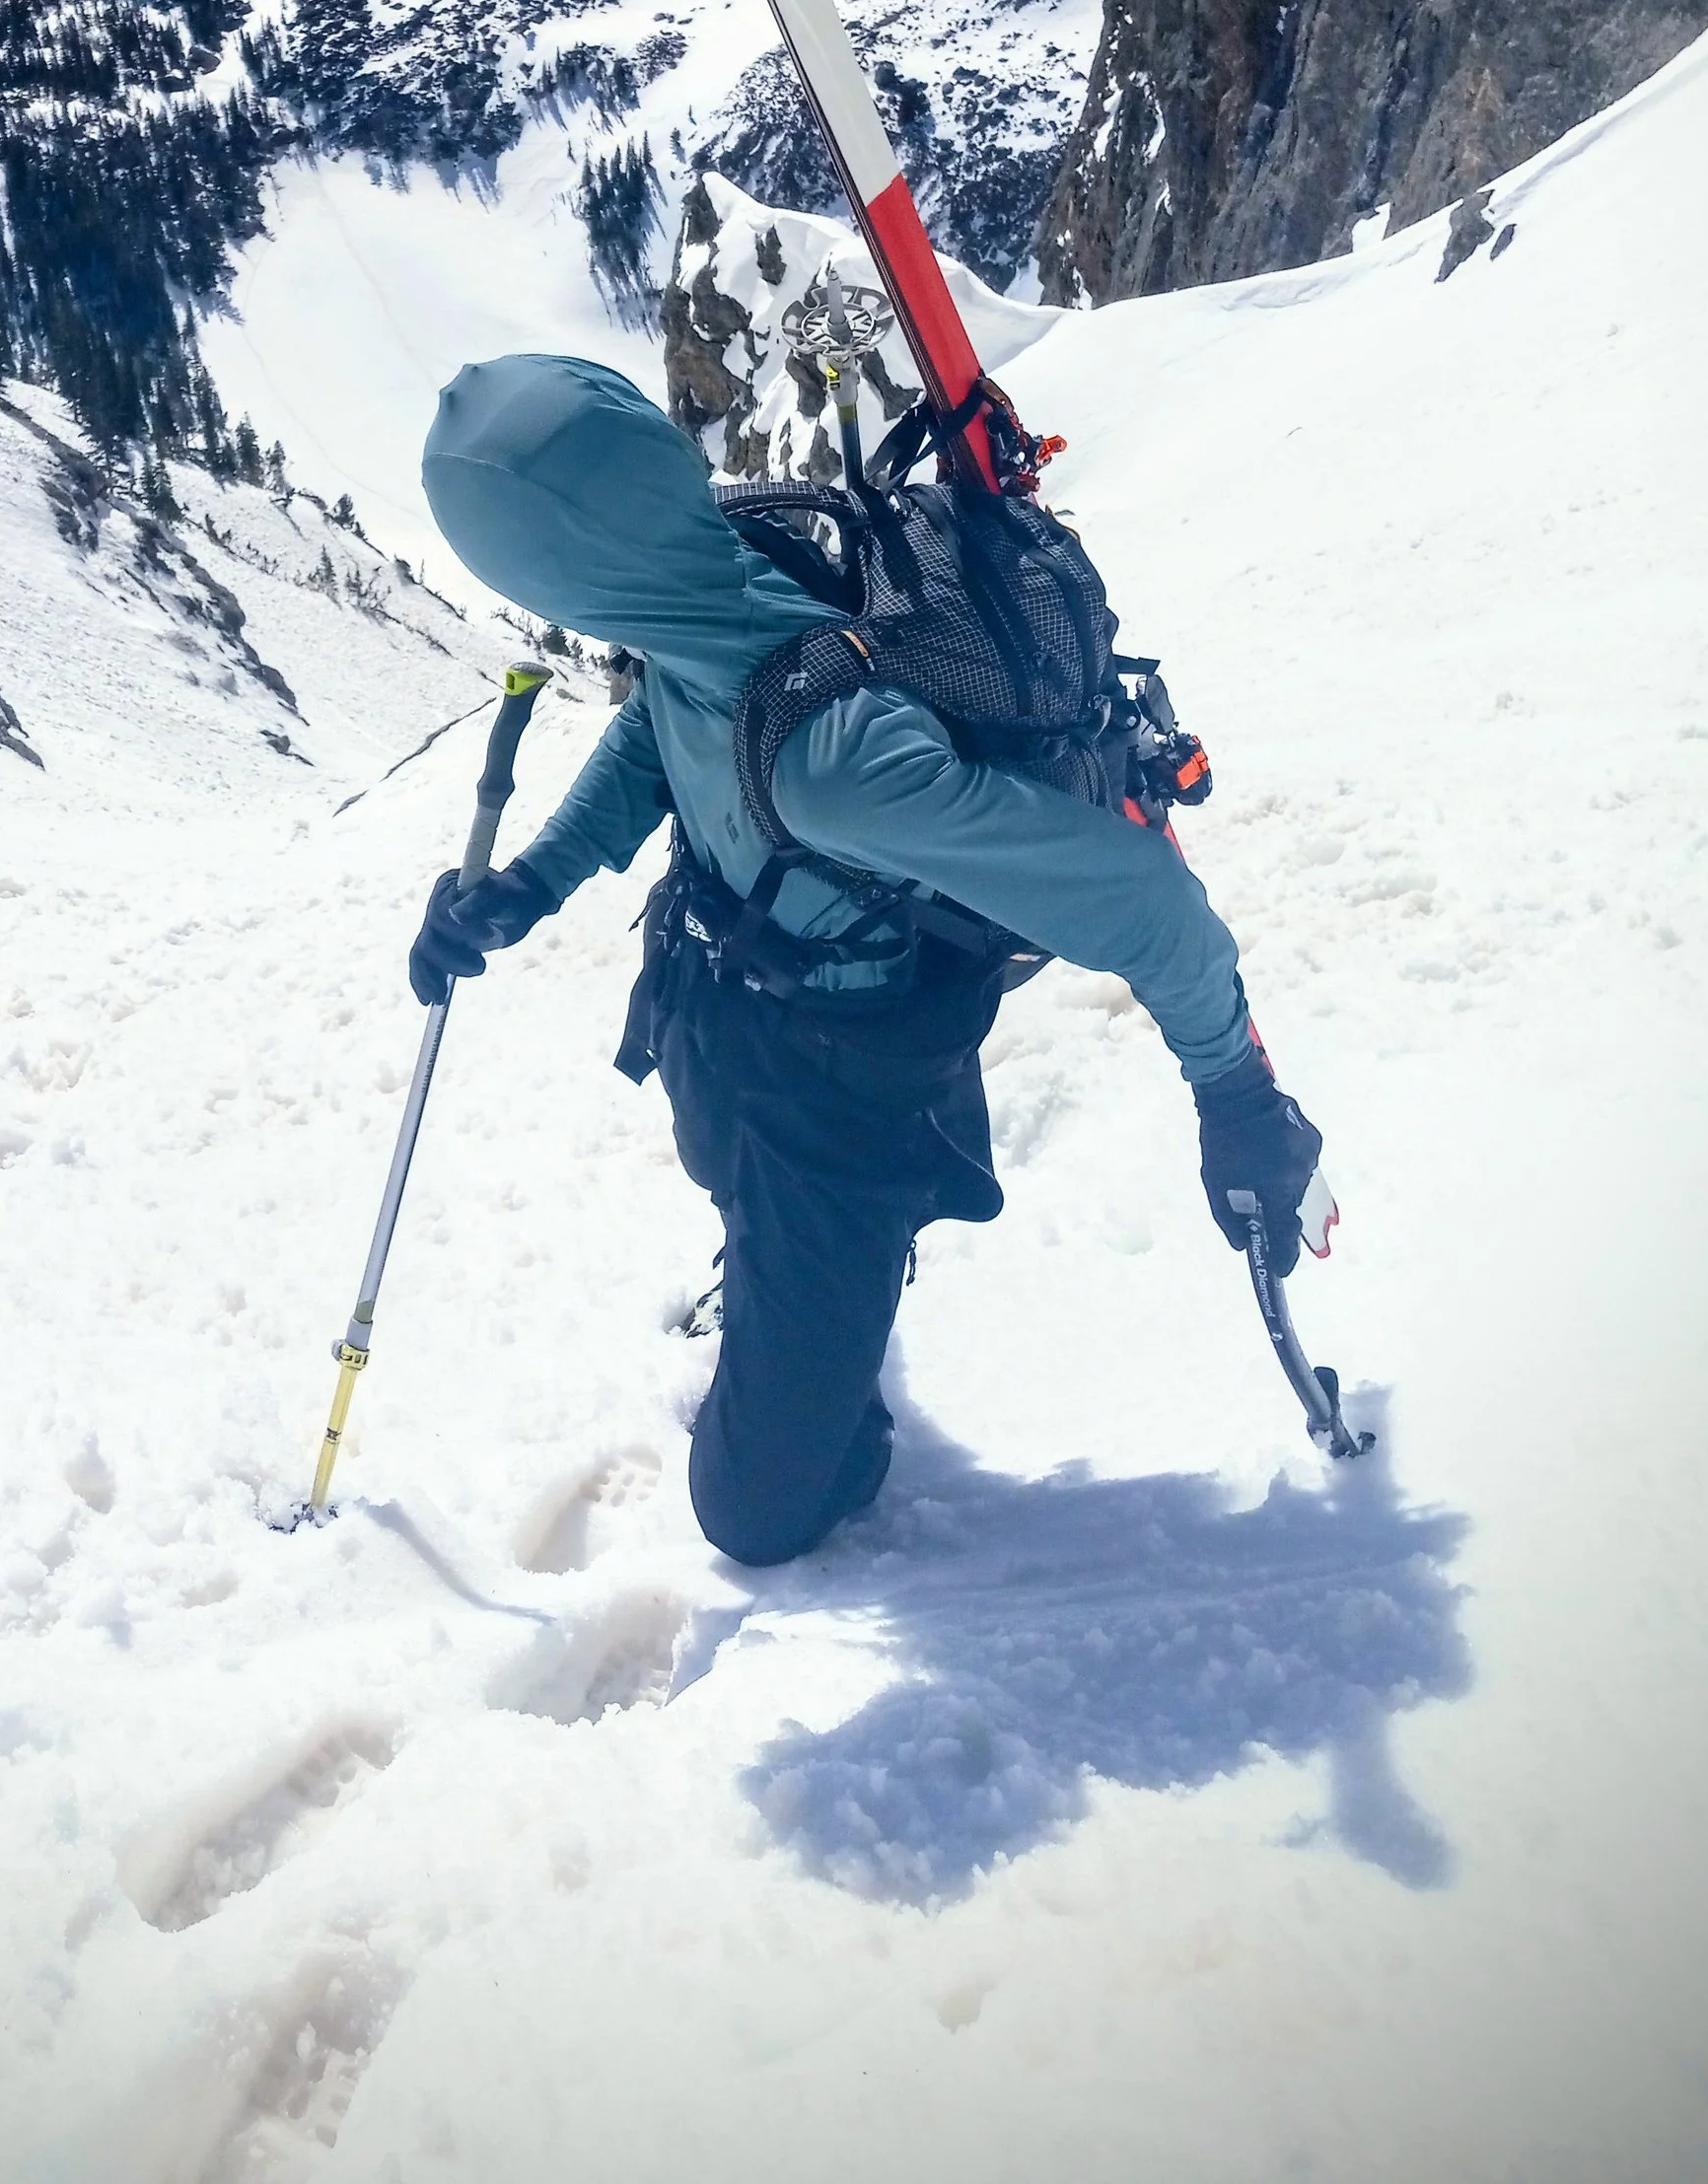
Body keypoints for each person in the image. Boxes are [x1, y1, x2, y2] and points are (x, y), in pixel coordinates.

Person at [406, 353, 1322, 1570]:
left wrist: (1239, 1096)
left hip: (840, 1098)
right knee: (722, 1158)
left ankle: (836, 1302)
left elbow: (1145, 903)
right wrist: (530, 883)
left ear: (551, 574)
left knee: (756, 1515)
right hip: (723, 1006)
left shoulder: (827, 757)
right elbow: (655, 728)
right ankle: (779, 1272)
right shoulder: (708, 570)